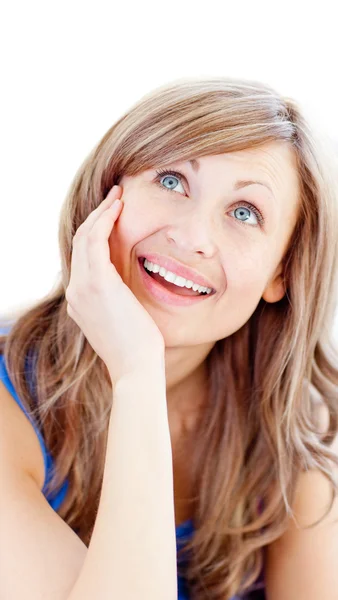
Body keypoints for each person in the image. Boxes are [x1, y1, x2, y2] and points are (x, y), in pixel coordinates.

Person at [1, 76, 338, 600]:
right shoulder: (8, 403)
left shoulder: (291, 431)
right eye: (172, 181)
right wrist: (137, 374)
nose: (192, 238)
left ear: (281, 273)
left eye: (244, 213)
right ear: (106, 190)